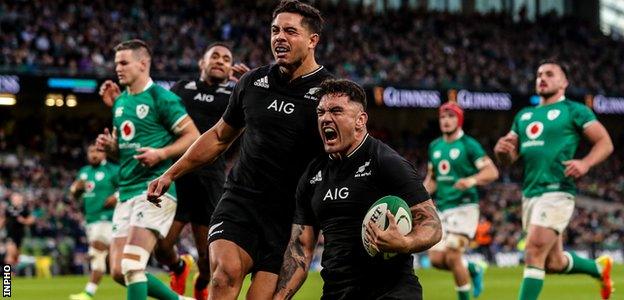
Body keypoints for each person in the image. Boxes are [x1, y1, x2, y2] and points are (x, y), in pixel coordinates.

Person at [147, 1, 332, 298]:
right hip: (240, 199)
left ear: (313, 40)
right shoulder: (253, 82)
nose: (279, 37)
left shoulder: (330, 93)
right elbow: (220, 136)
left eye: (290, 31)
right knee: (223, 276)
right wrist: (171, 172)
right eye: (275, 30)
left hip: (290, 215)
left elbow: (341, 157)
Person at [274, 79, 442, 299]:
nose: (325, 118)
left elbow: (432, 224)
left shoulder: (387, 162)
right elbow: (300, 250)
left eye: (336, 111)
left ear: (360, 120)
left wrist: (405, 242)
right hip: (336, 293)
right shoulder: (312, 175)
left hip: (391, 292)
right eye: (321, 112)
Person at [494, 59, 614, 300]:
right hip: (530, 193)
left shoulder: (575, 110)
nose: (542, 78)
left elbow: (605, 142)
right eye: (539, 74)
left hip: (557, 189)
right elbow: (509, 158)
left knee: (534, 250)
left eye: (549, 74)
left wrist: (585, 162)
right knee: (553, 263)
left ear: (564, 82)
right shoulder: (524, 115)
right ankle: (599, 268)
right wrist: (501, 152)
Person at [96, 39, 199, 300]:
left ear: (143, 64)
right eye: (116, 63)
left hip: (154, 190)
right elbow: (122, 150)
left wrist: (161, 153)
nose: (117, 68)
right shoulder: (120, 103)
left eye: (123, 62)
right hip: (127, 191)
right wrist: (111, 146)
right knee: (119, 271)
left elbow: (193, 136)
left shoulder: (162, 98)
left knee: (132, 265)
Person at [155, 42, 249, 300]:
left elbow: (257, 122)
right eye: (215, 56)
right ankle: (178, 266)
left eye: (226, 58)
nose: (220, 61)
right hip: (179, 177)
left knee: (208, 258)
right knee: (161, 247)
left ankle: (202, 283)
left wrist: (249, 87)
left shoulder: (235, 94)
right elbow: (159, 121)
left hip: (212, 180)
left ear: (231, 68)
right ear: (201, 63)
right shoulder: (181, 89)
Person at [423, 102, 499, 300]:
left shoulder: (469, 145)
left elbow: (492, 172)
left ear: (459, 120)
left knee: (453, 254)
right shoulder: (435, 146)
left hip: (465, 207)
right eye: (443, 117)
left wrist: (472, 180)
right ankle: (472, 268)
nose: (446, 121)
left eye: (451, 117)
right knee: (436, 260)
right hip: (443, 208)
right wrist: (419, 195)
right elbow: (433, 180)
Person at [69, 143, 119, 300]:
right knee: (102, 258)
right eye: (91, 151)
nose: (94, 154)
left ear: (105, 153)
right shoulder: (84, 172)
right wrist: (75, 190)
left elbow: (127, 186)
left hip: (109, 218)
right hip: (91, 219)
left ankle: (88, 292)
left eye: (98, 151)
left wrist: (116, 197)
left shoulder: (113, 169)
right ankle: (89, 293)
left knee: (97, 249)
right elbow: (74, 195)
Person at [3, 192, 35, 267]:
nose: (16, 201)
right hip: (10, 235)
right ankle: (7, 277)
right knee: (9, 255)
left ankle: (13, 272)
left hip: (20, 236)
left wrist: (24, 221)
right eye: (14, 199)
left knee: (16, 257)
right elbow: (3, 220)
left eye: (17, 199)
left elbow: (32, 220)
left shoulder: (24, 209)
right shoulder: (8, 209)